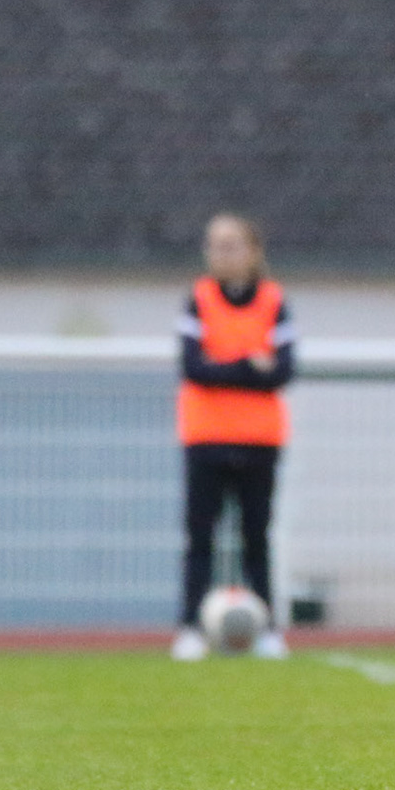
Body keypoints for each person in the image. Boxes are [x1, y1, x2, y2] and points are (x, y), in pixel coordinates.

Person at [169, 212, 295, 662]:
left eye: (231, 245)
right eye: (214, 245)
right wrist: (247, 365)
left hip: (259, 438)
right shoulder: (199, 300)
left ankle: (267, 631)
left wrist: (225, 369)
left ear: (253, 251)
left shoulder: (273, 301)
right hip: (205, 436)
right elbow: (193, 367)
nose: (221, 254)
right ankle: (190, 628)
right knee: (199, 538)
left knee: (256, 538)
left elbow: (282, 370)